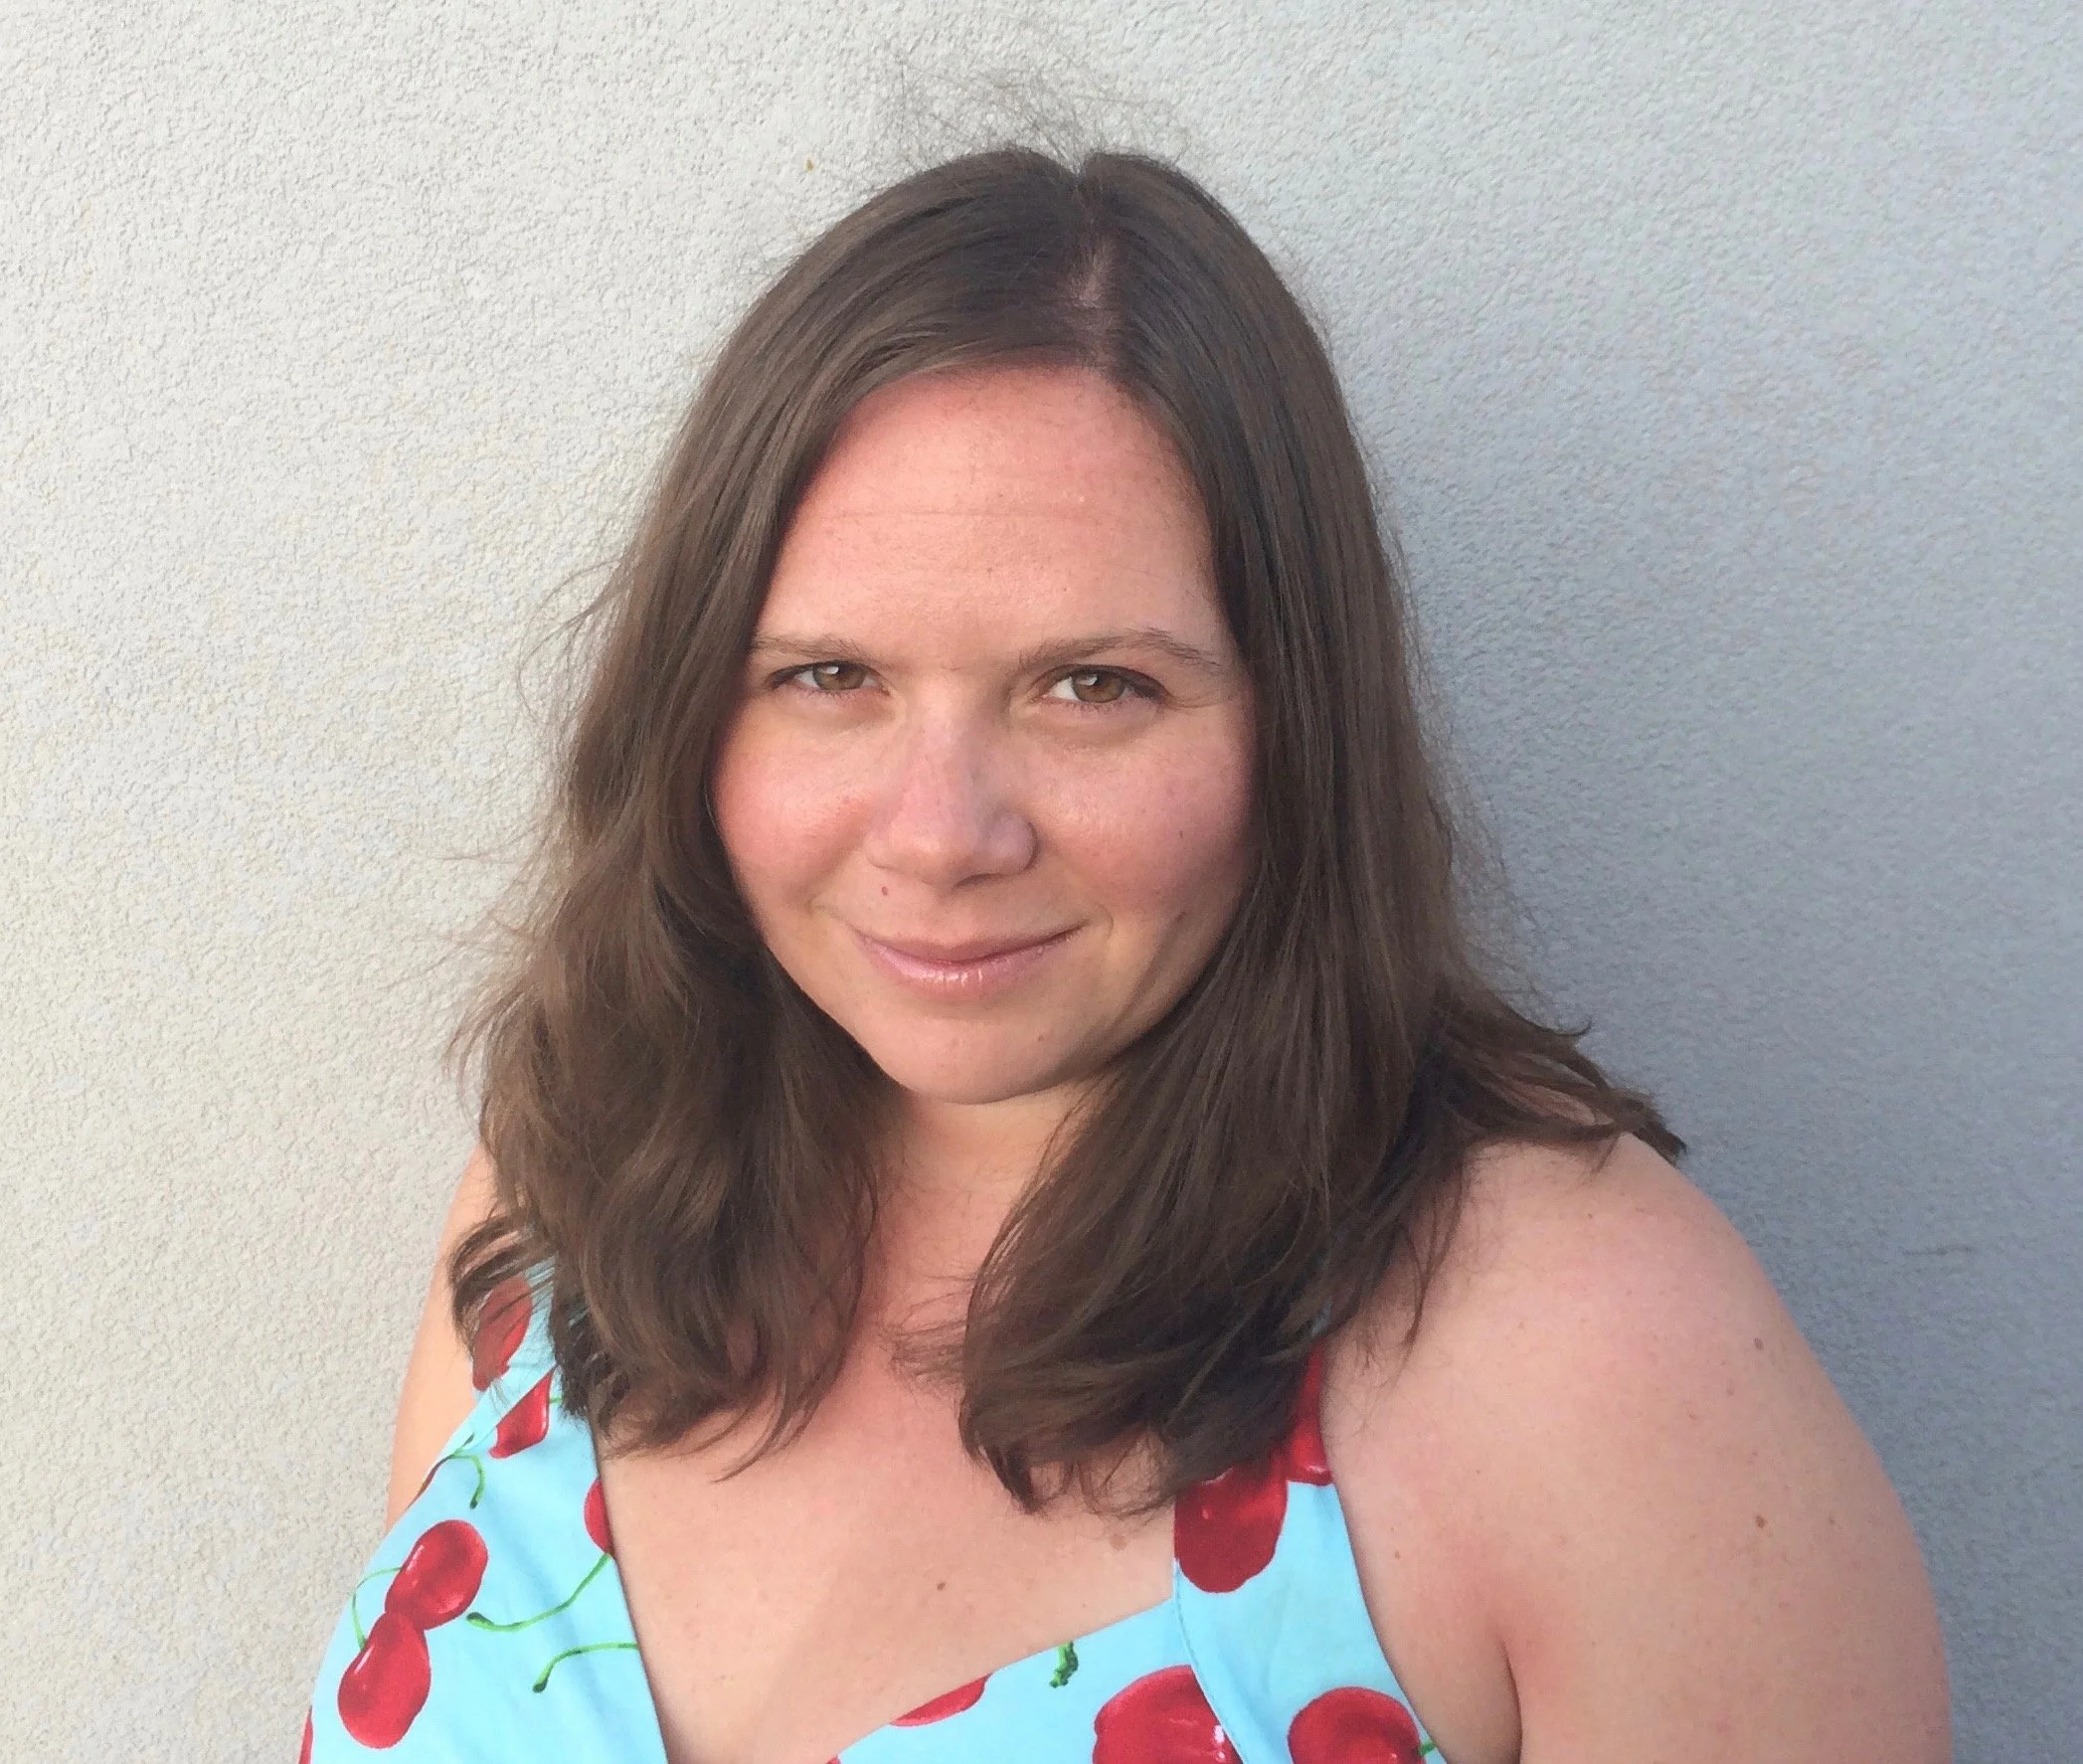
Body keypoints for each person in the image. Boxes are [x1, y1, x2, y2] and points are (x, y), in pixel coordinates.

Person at [300, 147, 1949, 1764]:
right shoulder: (583, 1183)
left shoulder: (1579, 1354)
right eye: (825, 677)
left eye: (1091, 685)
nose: (941, 831)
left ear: (1289, 726)